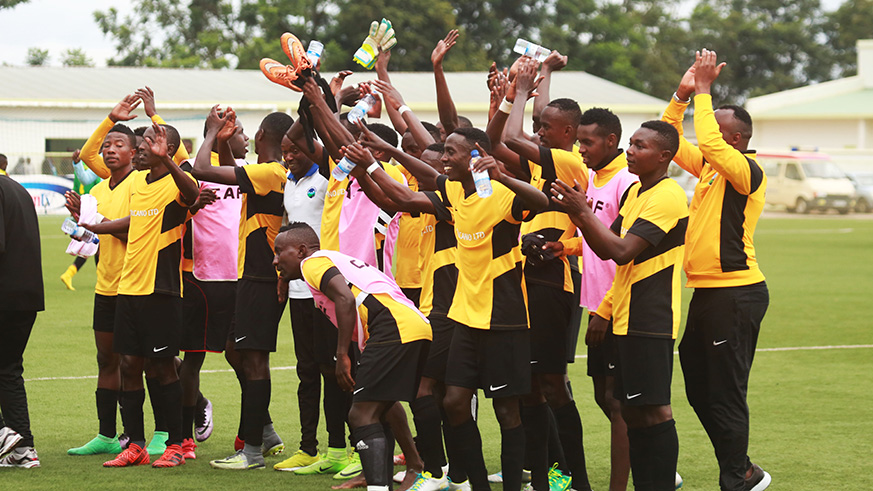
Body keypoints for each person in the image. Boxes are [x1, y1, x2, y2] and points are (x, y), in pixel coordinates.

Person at [552, 120, 688, 490]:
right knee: (630, 409)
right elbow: (603, 248)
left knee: (653, 410)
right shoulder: (636, 194)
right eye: (631, 143)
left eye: (641, 146)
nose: (630, 150)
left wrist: (583, 213)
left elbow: (622, 251)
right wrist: (577, 220)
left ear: (664, 156)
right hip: (626, 316)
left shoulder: (668, 196)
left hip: (651, 318)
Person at [662, 49, 771, 491]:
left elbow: (707, 142)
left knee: (725, 390)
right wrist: (682, 95)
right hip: (709, 293)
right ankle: (741, 466)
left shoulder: (746, 170)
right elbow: (669, 139)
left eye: (719, 130)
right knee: (699, 388)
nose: (708, 135)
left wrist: (705, 90)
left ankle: (738, 475)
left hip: (737, 293)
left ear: (738, 140)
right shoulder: (711, 167)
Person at [485, 55, 588, 491]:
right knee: (527, 382)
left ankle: (574, 475)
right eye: (538, 126)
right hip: (523, 280)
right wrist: (509, 97)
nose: (538, 131)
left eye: (546, 128)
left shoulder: (569, 163)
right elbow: (495, 142)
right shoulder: (543, 165)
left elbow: (512, 136)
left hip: (551, 282)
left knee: (551, 383)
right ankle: (542, 472)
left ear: (569, 133)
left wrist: (523, 89)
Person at [272, 222, 432, 491]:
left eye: (279, 252)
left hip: (392, 325)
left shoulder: (312, 263)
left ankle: (389, 480)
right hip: (411, 324)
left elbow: (345, 299)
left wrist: (341, 354)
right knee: (383, 404)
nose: (275, 260)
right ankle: (406, 468)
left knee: (360, 414)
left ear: (300, 250)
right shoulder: (331, 262)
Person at [86, 122, 200, 468]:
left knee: (162, 368)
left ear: (167, 149)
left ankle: (176, 444)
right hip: (128, 288)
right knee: (129, 365)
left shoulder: (177, 181)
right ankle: (135, 444)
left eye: (149, 141)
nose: (141, 147)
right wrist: (96, 226)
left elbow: (193, 195)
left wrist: (168, 161)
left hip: (161, 289)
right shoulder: (137, 181)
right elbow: (132, 221)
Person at [545, 107, 640, 490]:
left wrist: (605, 310)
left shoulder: (626, 182)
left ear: (611, 141)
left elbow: (628, 250)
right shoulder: (593, 178)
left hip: (619, 307)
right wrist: (565, 247)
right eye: (579, 141)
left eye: (587, 142)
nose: (580, 148)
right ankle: (648, 458)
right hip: (597, 303)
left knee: (618, 402)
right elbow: (595, 235)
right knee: (604, 396)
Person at [193, 108, 293, 471]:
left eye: (252, 132)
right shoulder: (269, 173)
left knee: (253, 359)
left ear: (263, 136)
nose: (248, 137)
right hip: (252, 276)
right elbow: (231, 172)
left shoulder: (271, 172)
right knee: (236, 351)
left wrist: (210, 133)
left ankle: (251, 451)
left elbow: (202, 170)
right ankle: (264, 432)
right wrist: (222, 141)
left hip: (262, 277)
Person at [175, 112, 249, 460]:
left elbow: (233, 173)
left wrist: (221, 140)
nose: (244, 138)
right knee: (192, 360)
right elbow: (191, 171)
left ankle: (252, 433)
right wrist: (214, 134)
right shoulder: (192, 168)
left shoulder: (242, 171)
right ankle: (184, 438)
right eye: (239, 132)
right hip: (202, 278)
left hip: (241, 278)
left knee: (244, 359)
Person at [64, 121, 137, 457]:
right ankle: (107, 435)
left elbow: (139, 232)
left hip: (136, 285)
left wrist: (99, 224)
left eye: (118, 144)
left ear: (134, 151)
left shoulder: (141, 184)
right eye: (107, 145)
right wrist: (80, 224)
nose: (109, 150)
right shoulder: (97, 192)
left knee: (140, 363)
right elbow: (95, 239)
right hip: (106, 286)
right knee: (106, 360)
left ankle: (160, 432)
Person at [272, 133, 342, 473]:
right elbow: (289, 229)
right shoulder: (289, 182)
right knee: (307, 372)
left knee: (333, 371)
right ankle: (308, 449)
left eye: (295, 150)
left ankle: (340, 449)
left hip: (326, 287)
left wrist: (310, 103)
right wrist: (283, 277)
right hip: (299, 291)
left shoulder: (326, 177)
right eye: (284, 151)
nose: (289, 156)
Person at [0, 168, 45, 469]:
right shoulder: (17, 188)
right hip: (26, 295)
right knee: (7, 369)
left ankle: (2, 433)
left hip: (4, 292)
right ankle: (23, 449)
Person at [60, 149, 103, 291]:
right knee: (95, 245)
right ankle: (101, 278)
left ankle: (70, 273)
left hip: (82, 209)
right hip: (94, 209)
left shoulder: (83, 170)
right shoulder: (97, 169)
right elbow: (98, 188)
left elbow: (75, 189)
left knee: (91, 244)